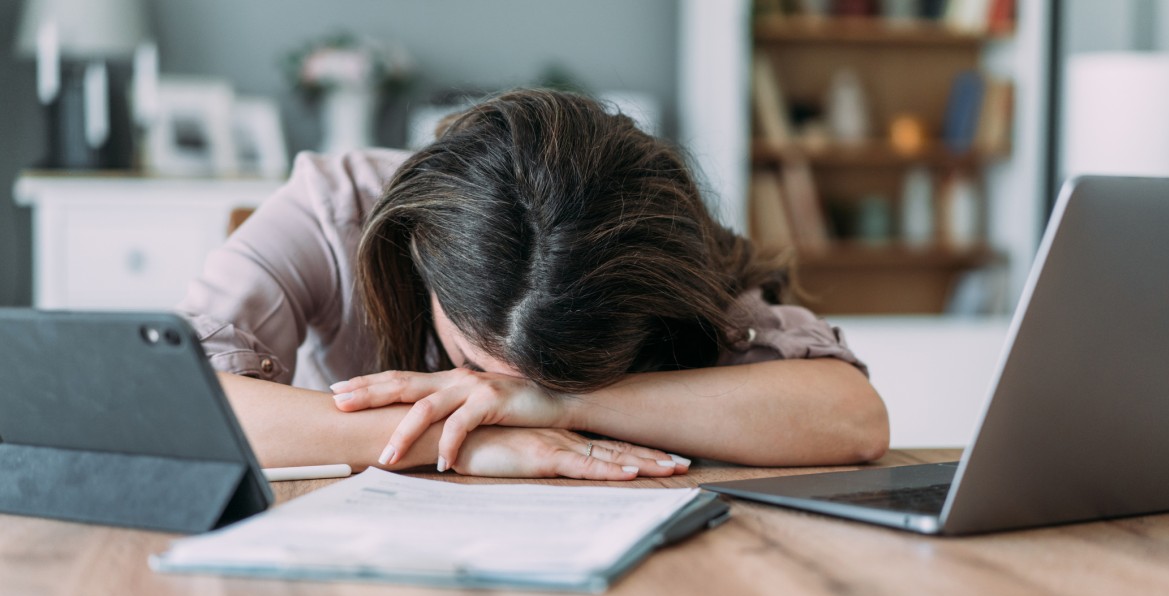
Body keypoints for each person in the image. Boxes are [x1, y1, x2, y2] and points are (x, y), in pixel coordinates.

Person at [178, 88, 888, 480]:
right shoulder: (335, 207)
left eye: (551, 379)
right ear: (418, 257)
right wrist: (473, 442)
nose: (495, 392)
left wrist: (551, 405)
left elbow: (852, 417)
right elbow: (182, 411)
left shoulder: (644, 246)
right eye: (472, 365)